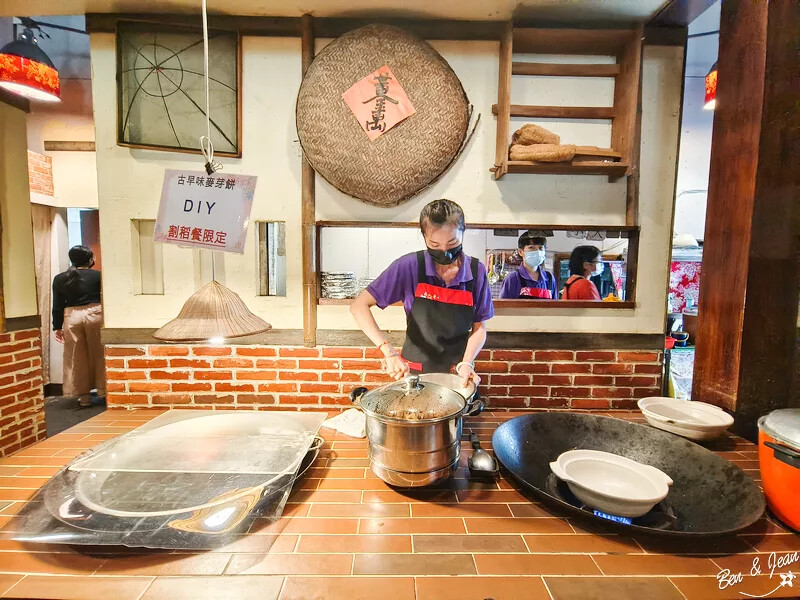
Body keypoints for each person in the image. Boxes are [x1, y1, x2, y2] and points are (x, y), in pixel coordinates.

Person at [350, 199, 494, 385]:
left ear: (463, 232)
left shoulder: (477, 271)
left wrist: (467, 363)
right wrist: (388, 352)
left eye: (452, 242)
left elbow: (479, 327)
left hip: (458, 373)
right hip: (414, 373)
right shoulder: (409, 266)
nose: (444, 251)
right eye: (435, 244)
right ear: (424, 236)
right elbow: (358, 306)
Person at [52, 245, 105, 408]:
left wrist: (57, 326)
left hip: (71, 316)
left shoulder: (61, 278)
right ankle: (104, 391)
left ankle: (84, 398)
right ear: (90, 259)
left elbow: (57, 305)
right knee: (100, 354)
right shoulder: (98, 276)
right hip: (95, 313)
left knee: (76, 357)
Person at [499, 232, 558, 299]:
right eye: (531, 247)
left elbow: (555, 307)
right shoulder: (513, 278)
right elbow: (504, 307)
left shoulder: (549, 278)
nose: (537, 251)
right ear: (521, 252)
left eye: (540, 248)